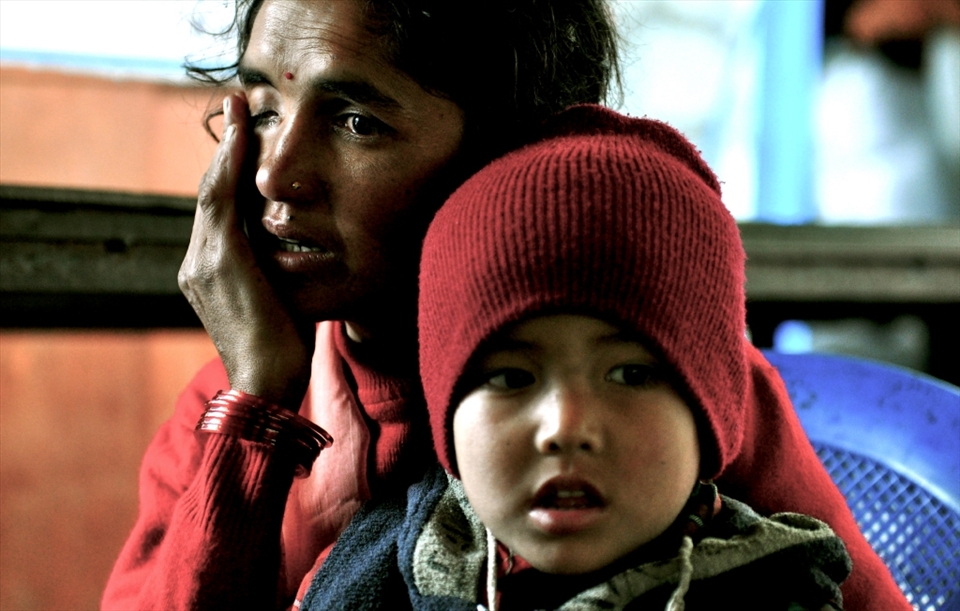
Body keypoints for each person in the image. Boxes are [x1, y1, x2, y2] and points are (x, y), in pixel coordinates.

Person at [102, 1, 909, 610]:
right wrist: (255, 414)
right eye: (265, 112)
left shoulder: (667, 399)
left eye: (356, 122)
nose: (277, 175)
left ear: (513, 151)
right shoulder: (240, 396)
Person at [298, 104, 854, 610]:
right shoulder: (380, 565)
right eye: (511, 377)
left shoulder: (769, 589)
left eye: (631, 374)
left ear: (713, 421)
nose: (565, 428)